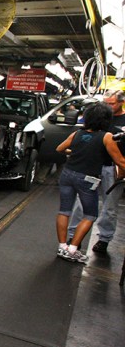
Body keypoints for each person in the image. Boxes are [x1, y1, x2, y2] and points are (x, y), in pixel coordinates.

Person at [56, 101, 125, 264]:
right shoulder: (107, 137)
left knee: (64, 211)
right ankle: (73, 249)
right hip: (87, 179)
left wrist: (75, 152)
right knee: (90, 215)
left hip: (67, 174)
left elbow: (60, 148)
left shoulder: (77, 134)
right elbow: (120, 161)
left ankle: (62, 246)